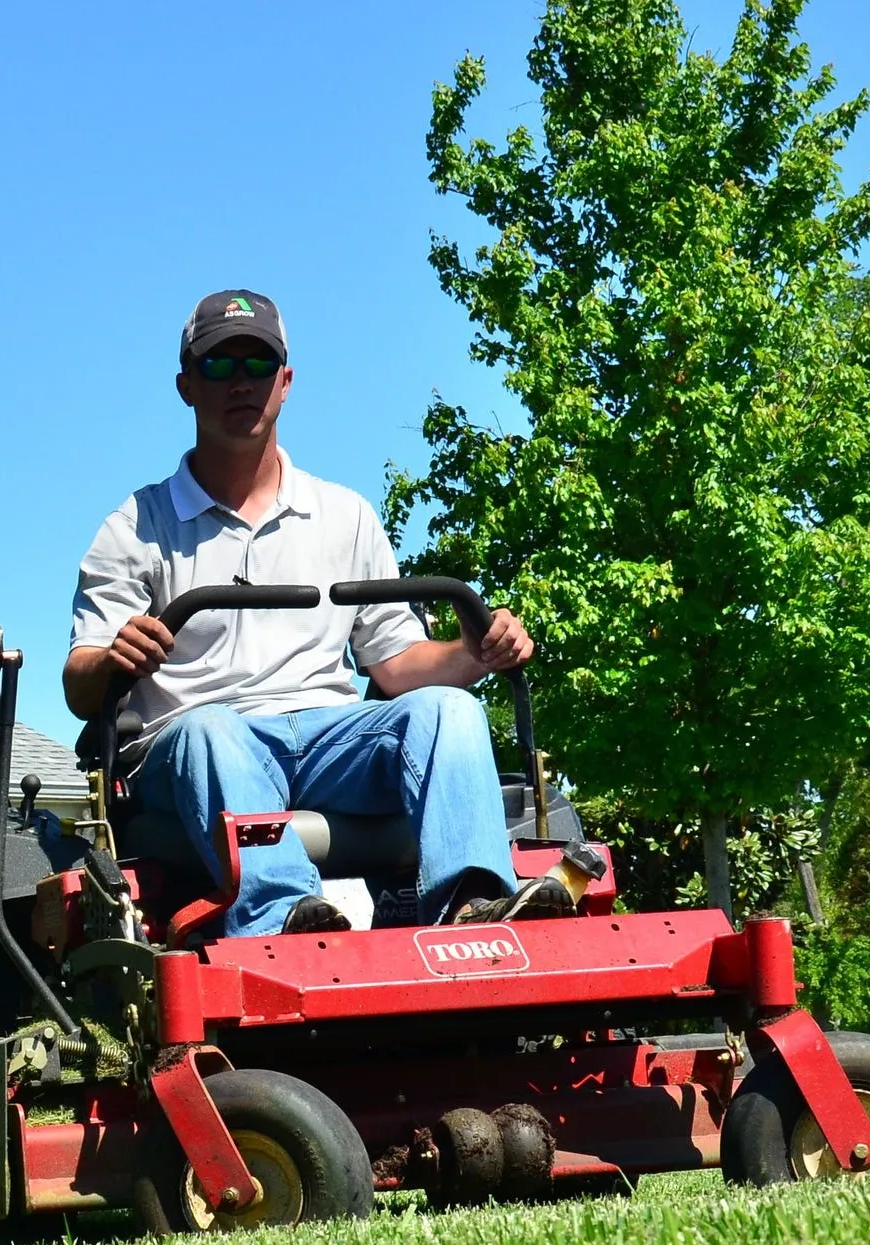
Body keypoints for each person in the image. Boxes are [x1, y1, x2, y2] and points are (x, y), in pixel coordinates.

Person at [64, 288, 574, 937]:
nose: (240, 382)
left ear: (285, 381)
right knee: (211, 731)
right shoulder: (137, 527)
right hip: (199, 749)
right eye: (219, 365)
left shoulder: (345, 515)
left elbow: (395, 665)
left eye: (257, 364)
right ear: (186, 385)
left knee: (451, 710)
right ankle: (287, 918)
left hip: (333, 741)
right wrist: (111, 658)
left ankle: (472, 903)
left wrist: (477, 653)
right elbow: (81, 681)